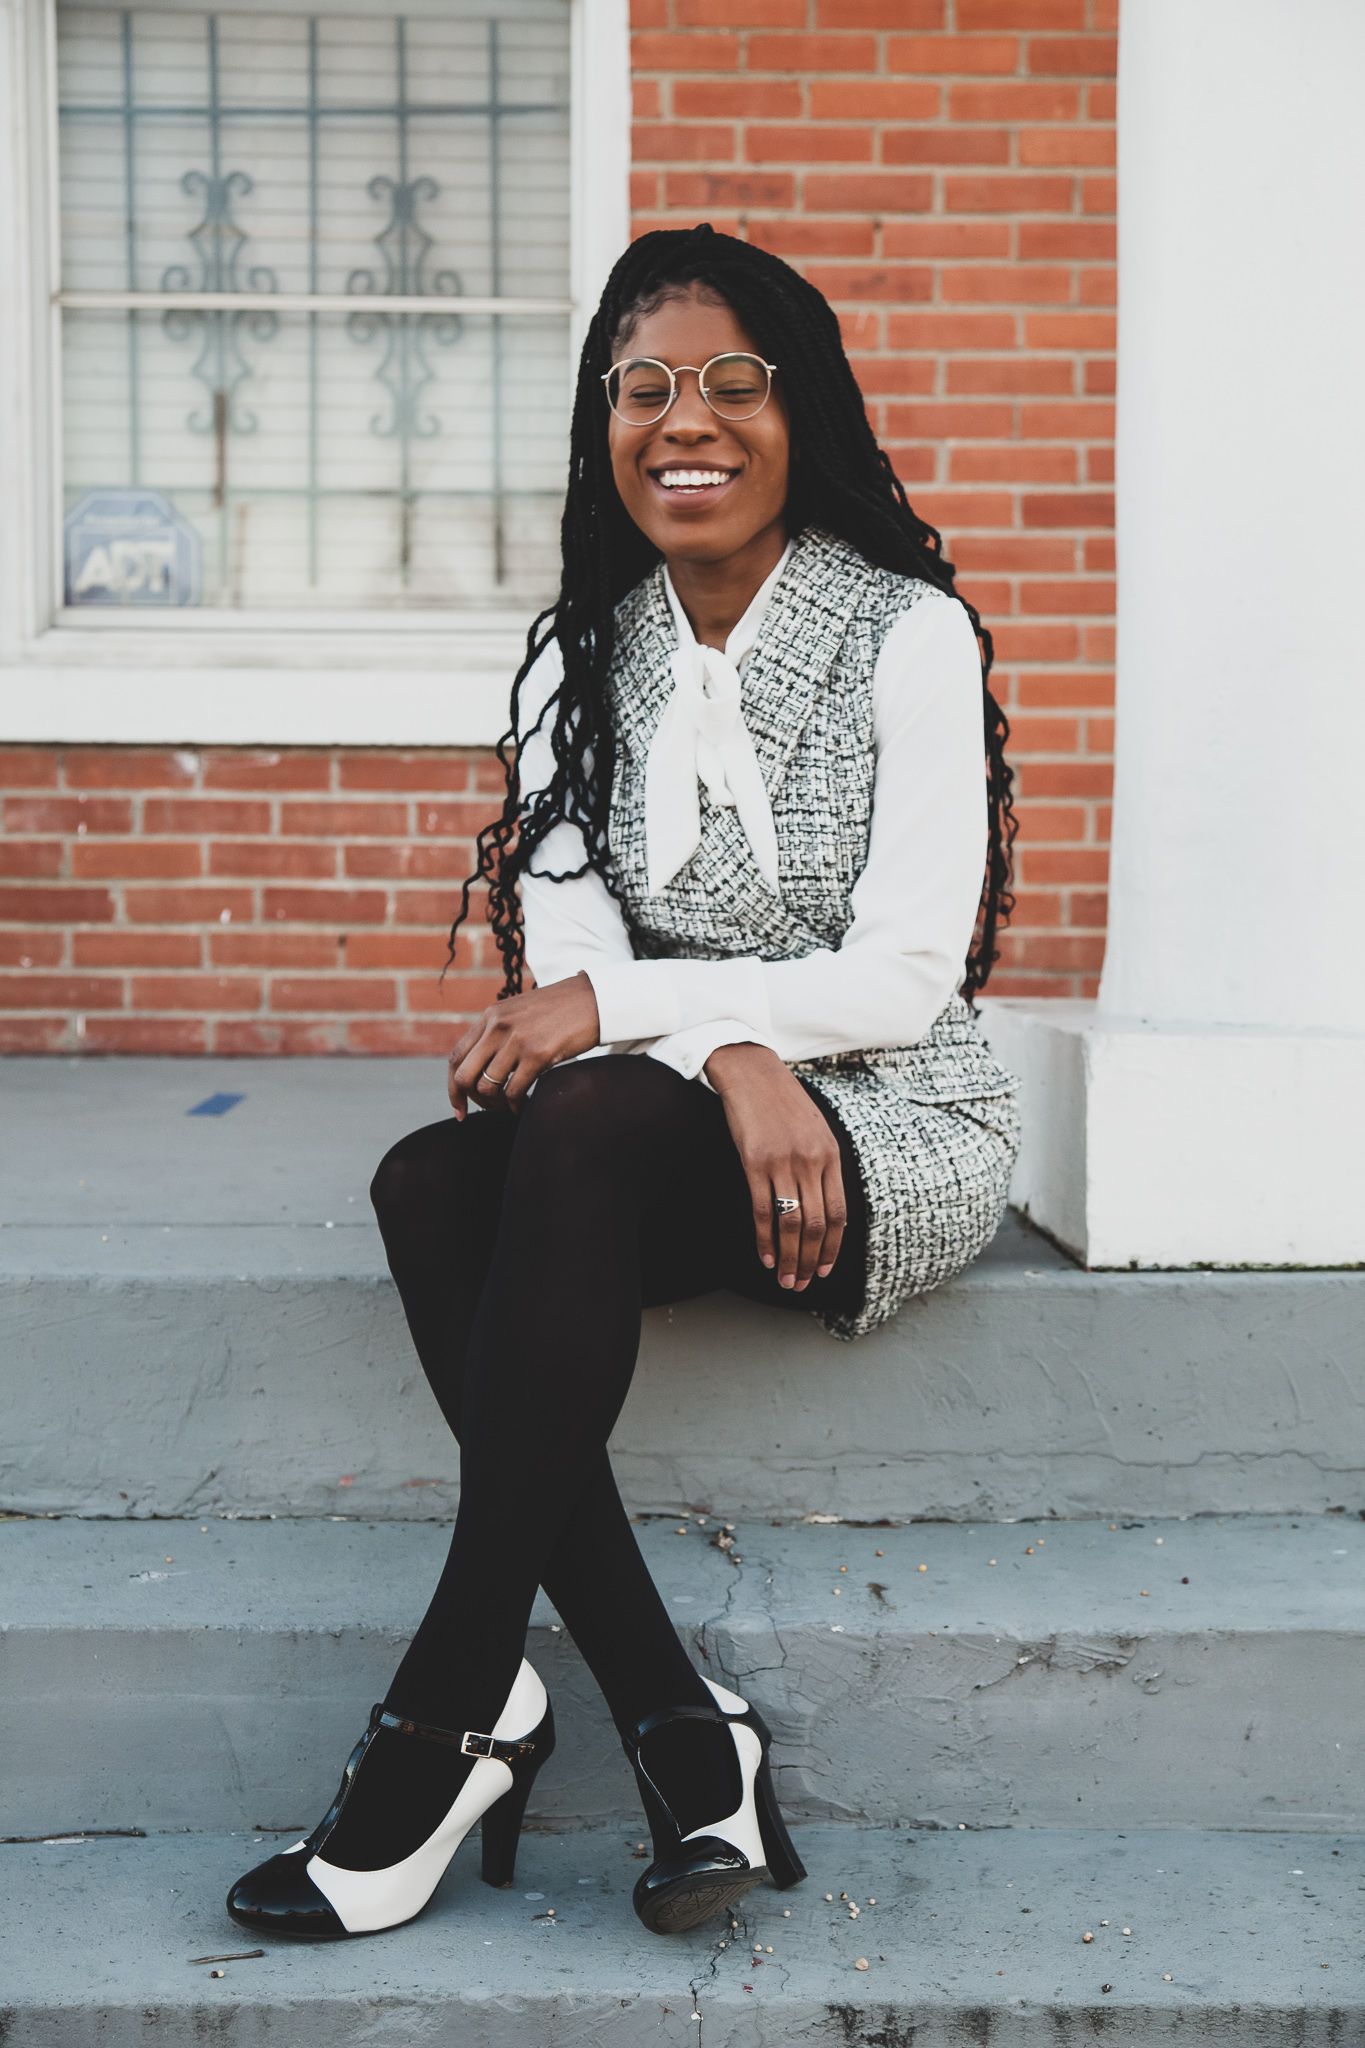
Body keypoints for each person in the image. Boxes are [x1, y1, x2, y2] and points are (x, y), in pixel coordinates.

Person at [226, 223, 1022, 1945]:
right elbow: (582, 970)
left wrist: (644, 1016)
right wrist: (724, 1049)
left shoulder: (906, 633)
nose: (687, 420)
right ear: (604, 425)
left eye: (733, 381)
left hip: (888, 1116)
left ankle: (450, 1711)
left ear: (800, 411)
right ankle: (675, 1719)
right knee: (430, 1182)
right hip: (685, 1117)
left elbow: (904, 975)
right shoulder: (572, 661)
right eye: (643, 386)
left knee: (575, 1122)